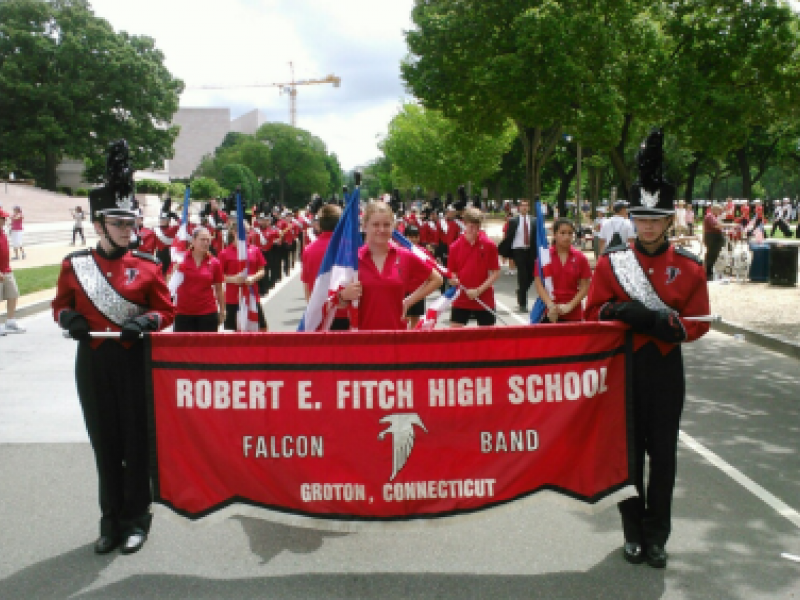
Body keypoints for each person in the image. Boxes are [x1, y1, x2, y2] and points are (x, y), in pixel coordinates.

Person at [585, 128, 710, 570]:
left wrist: (666, 327)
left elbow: (697, 323)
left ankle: (658, 536)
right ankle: (632, 533)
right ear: (633, 219)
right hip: (623, 369)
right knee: (628, 457)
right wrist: (623, 311)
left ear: (668, 221)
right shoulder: (611, 262)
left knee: (663, 457)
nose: (648, 226)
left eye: (656, 219)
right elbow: (592, 313)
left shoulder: (689, 267)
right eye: (641, 218)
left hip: (664, 369)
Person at [51, 140, 175, 555]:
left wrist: (145, 321)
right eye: (119, 224)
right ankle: (110, 521)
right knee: (105, 443)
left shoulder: (147, 265)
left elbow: (166, 311)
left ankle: (137, 518)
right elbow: (60, 306)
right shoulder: (75, 265)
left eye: (131, 223)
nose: (128, 230)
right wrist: (69, 320)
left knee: (136, 443)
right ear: (100, 225)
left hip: (134, 361)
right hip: (93, 363)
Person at [340, 201, 442, 330]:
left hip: (396, 337)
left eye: (386, 225)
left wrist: (408, 301)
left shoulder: (405, 255)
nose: (381, 230)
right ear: (365, 226)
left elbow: (437, 279)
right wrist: (343, 295)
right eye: (376, 225)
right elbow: (333, 302)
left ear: (393, 227)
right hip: (362, 339)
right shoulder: (352, 259)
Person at [447, 207, 500, 327]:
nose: (474, 230)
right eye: (471, 226)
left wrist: (478, 290)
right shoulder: (454, 247)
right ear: (464, 224)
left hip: (484, 297)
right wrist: (453, 280)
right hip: (461, 297)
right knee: (455, 336)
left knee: (487, 339)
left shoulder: (489, 245)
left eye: (477, 227)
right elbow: (452, 273)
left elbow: (495, 273)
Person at [301, 203, 351, 330]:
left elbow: (307, 287)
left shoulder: (308, 250)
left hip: (320, 313)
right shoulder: (351, 248)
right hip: (346, 315)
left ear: (320, 224)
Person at [533, 218, 592, 323]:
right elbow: (539, 284)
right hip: (550, 312)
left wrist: (569, 306)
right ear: (554, 234)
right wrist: (550, 305)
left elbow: (585, 286)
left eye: (570, 233)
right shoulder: (544, 257)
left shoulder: (580, 258)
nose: (567, 237)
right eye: (563, 233)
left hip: (574, 314)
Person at [172, 227, 224, 332]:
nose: (205, 243)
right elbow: (170, 285)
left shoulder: (214, 263)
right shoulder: (180, 259)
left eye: (208, 240)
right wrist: (174, 271)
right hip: (183, 312)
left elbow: (219, 289)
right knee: (184, 348)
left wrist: (222, 311)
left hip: (207, 312)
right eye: (202, 239)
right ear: (193, 241)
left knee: (206, 347)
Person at [218, 221, 268, 332]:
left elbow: (262, 270)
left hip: (252, 296)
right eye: (242, 232)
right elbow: (218, 276)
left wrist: (253, 278)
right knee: (232, 332)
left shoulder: (255, 250)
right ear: (233, 232)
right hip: (232, 299)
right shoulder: (224, 253)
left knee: (261, 329)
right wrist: (232, 279)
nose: (246, 234)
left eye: (247, 232)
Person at [499, 199, 537, 312]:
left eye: (526, 205)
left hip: (530, 250)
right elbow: (508, 237)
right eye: (522, 205)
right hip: (518, 250)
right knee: (522, 274)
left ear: (529, 207)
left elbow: (538, 236)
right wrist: (505, 254)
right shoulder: (513, 221)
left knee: (531, 274)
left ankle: (521, 291)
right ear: (519, 208)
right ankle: (523, 304)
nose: (524, 207)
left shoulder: (534, 220)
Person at [0, 208, 26, 335]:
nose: (4, 220)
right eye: (2, 218)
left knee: (13, 294)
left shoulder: (2, 233)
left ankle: (10, 321)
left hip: (6, 269)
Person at [703, 203, 725, 279]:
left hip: (714, 237)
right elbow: (716, 226)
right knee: (711, 255)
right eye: (719, 210)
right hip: (712, 237)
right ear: (714, 210)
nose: (720, 212)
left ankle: (709, 272)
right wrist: (730, 225)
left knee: (713, 255)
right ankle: (707, 273)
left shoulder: (714, 217)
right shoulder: (710, 216)